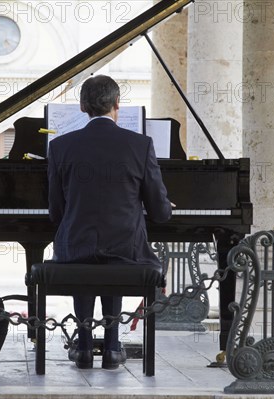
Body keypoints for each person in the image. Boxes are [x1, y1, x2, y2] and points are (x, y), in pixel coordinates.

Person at [47, 75, 173, 370]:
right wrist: (163, 205)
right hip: (126, 252)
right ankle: (113, 347)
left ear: (82, 107)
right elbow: (160, 213)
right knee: (115, 247)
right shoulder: (140, 145)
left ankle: (85, 348)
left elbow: (56, 212)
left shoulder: (60, 147)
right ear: (117, 104)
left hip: (74, 250)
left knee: (87, 249)